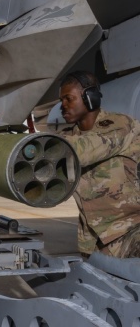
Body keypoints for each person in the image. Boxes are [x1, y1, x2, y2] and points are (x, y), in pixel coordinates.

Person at [58, 70, 140, 259]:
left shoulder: (120, 125)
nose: (63, 106)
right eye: (61, 100)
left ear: (90, 97)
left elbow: (86, 149)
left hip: (130, 229)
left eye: (69, 99)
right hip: (93, 241)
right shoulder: (68, 138)